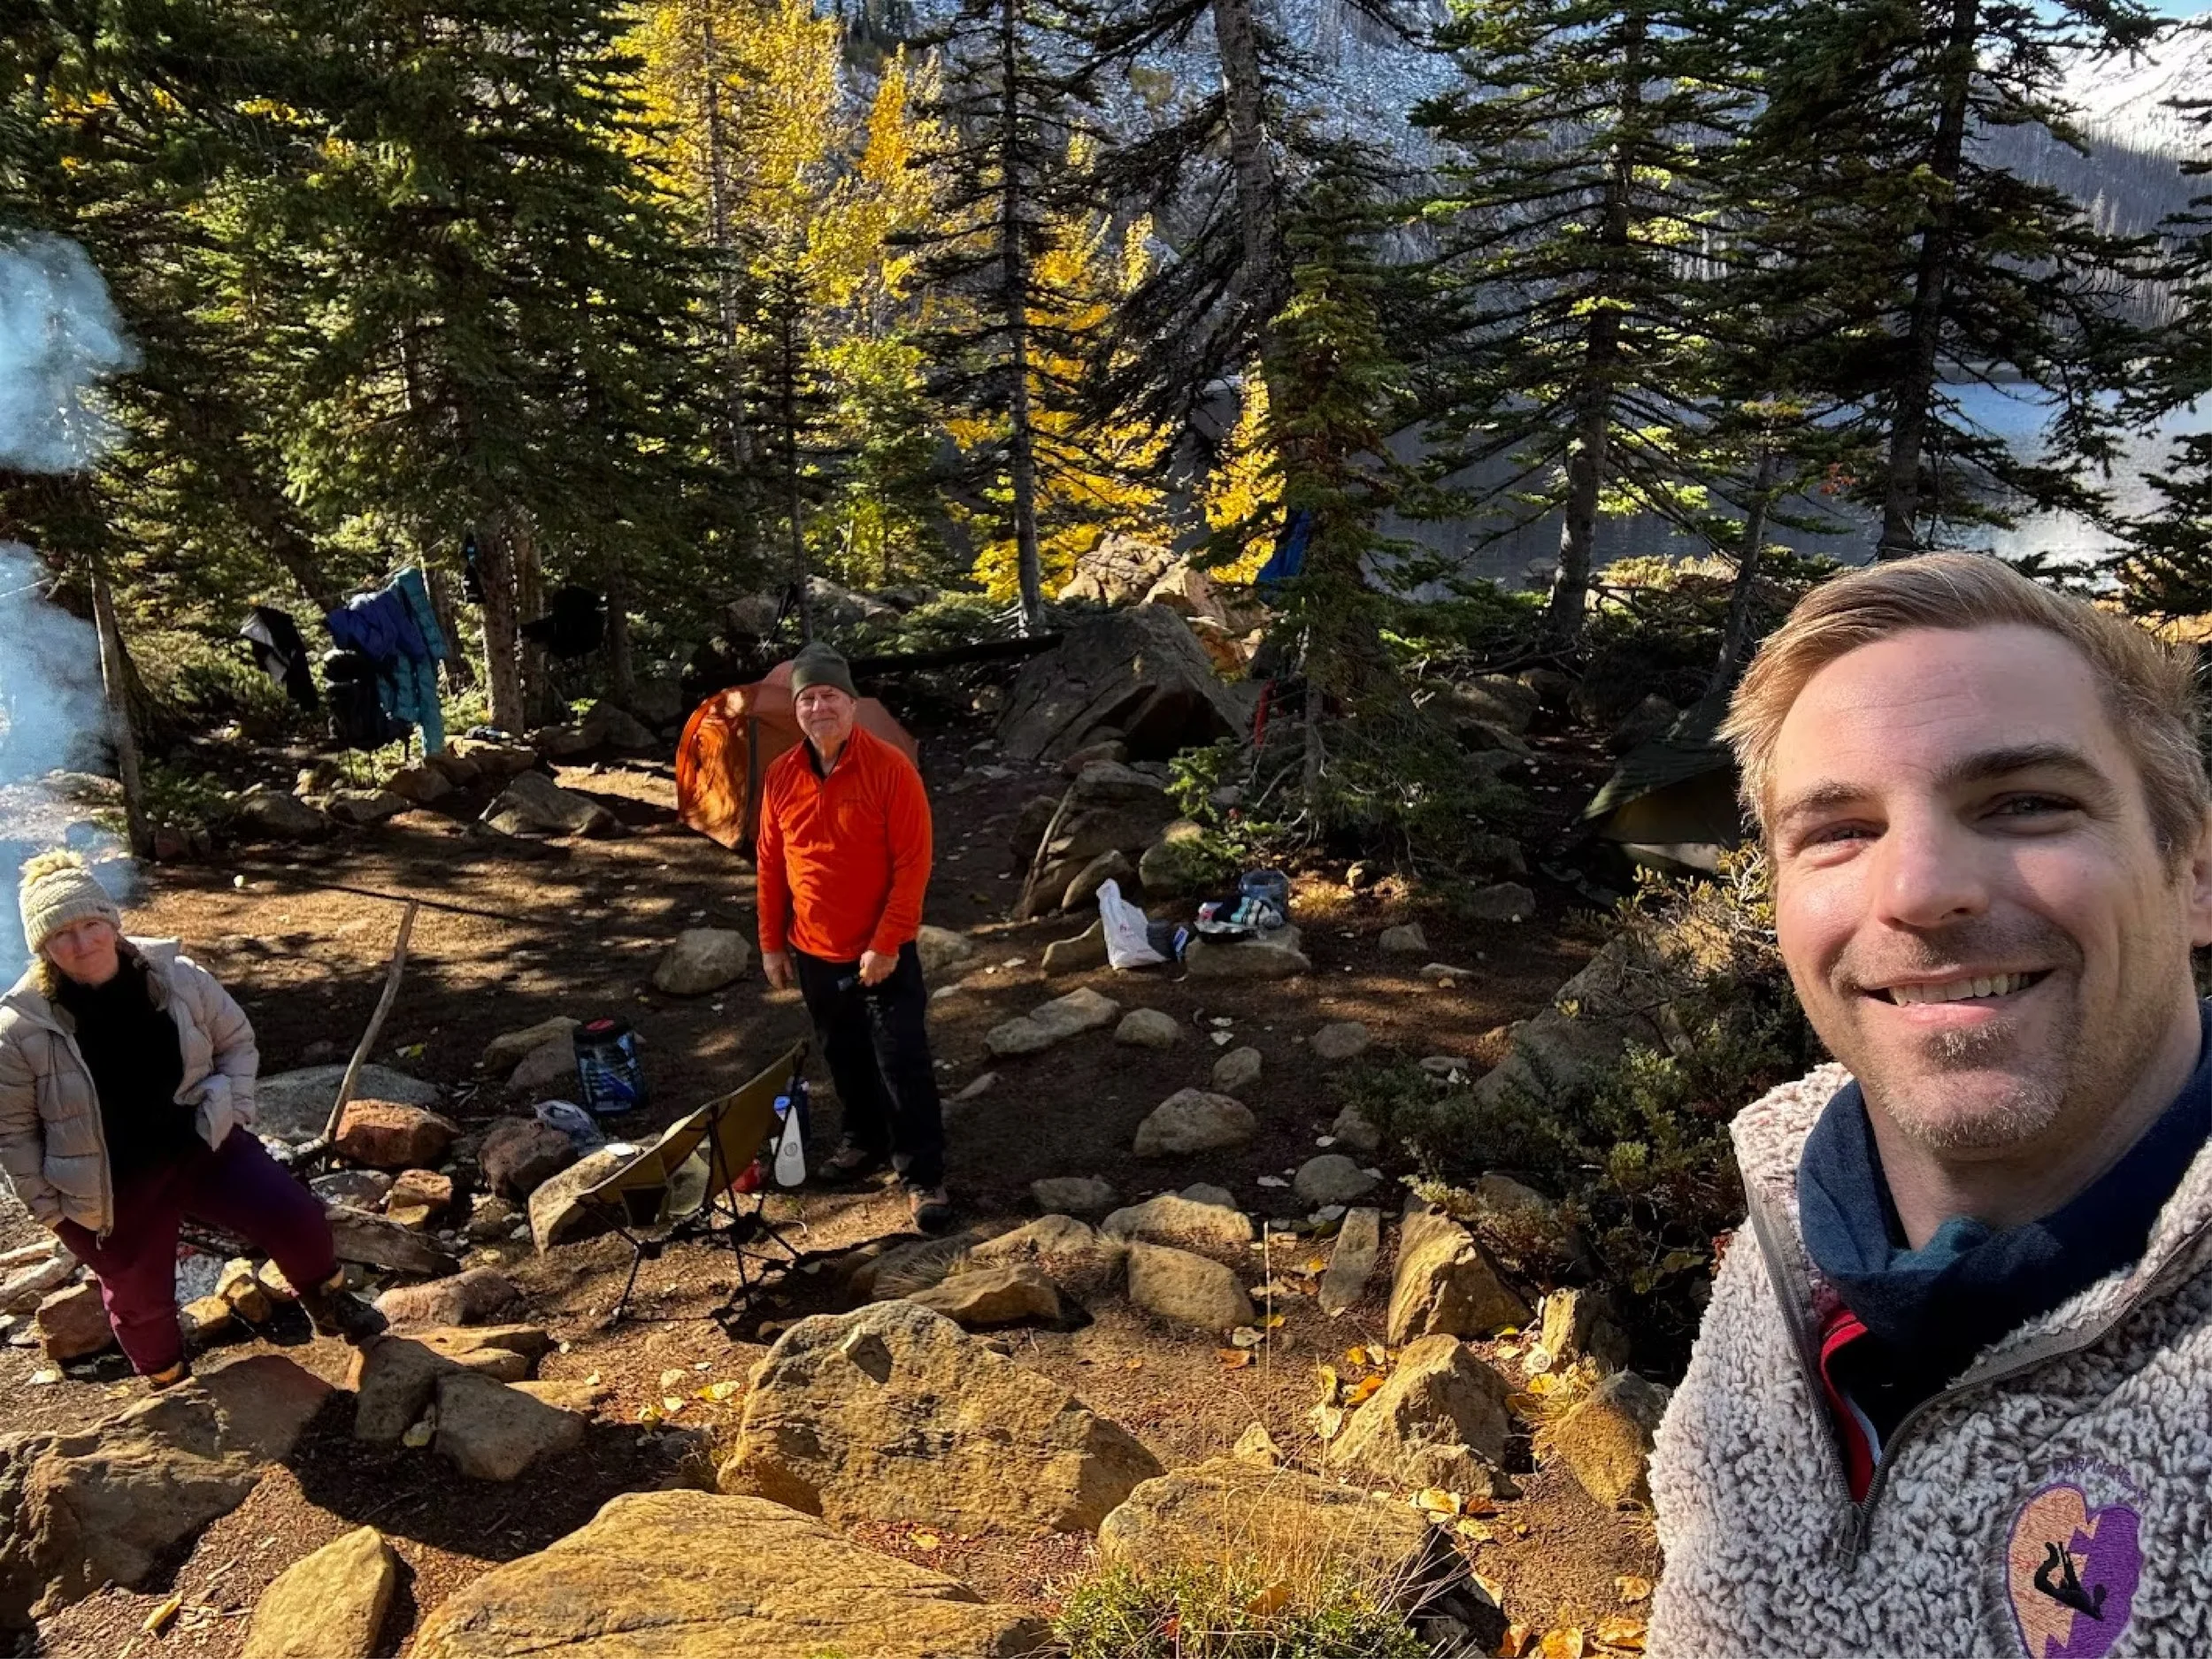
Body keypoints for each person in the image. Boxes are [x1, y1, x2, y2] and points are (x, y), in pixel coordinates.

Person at [1648, 554, 2212, 1654]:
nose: (1916, 890)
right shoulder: (1779, 1235)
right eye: (1838, 830)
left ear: (2192, 872)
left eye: (2024, 805)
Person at [0, 851, 383, 1386]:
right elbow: (13, 1131)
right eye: (62, 934)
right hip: (109, 1182)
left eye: (91, 924)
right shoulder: (21, 1028)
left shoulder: (175, 977)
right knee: (137, 1295)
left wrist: (238, 1110)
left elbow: (237, 1044)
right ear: (42, 946)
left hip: (200, 1146)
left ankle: (329, 1302)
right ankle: (169, 1381)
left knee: (295, 1216)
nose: (83, 943)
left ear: (111, 921)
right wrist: (50, 1212)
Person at [755, 643, 951, 1232]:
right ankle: (862, 1137)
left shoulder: (891, 768)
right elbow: (770, 862)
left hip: (882, 951)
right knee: (842, 1055)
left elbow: (914, 863)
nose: (820, 707)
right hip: (813, 947)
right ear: (798, 709)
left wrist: (888, 942)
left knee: (901, 1060)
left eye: (830, 697)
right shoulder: (781, 774)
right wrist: (771, 942)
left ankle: (923, 1176)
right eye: (808, 698)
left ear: (851, 702)